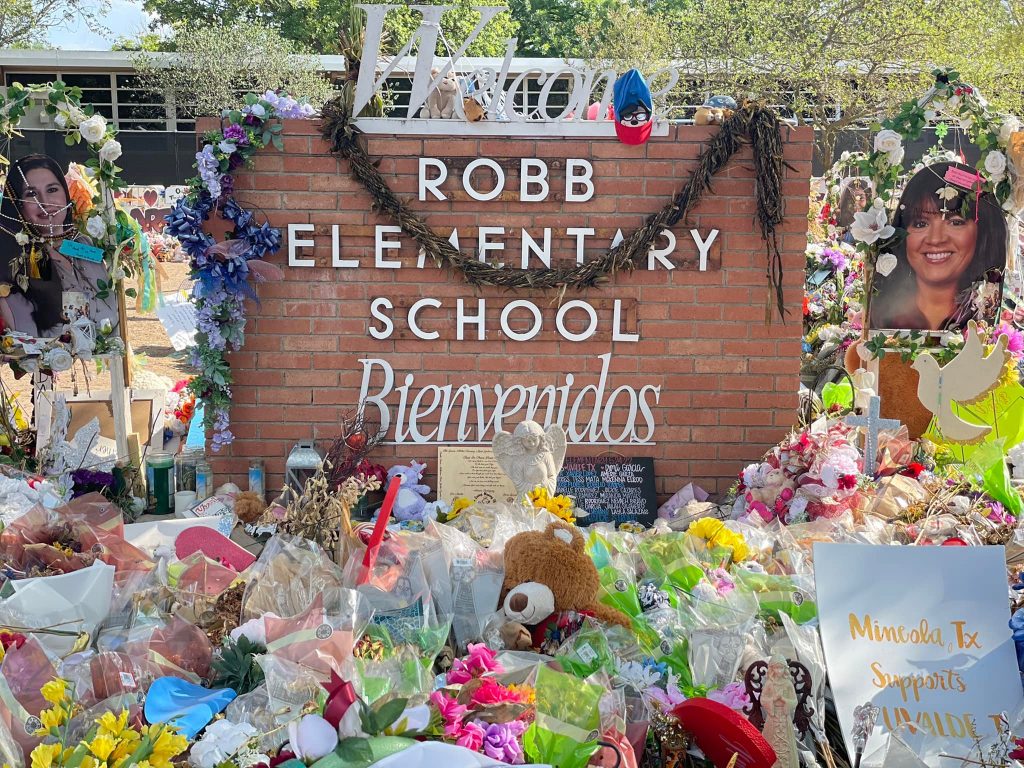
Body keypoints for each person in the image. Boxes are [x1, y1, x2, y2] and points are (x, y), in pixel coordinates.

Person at [869, 160, 1007, 331]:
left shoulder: (990, 330)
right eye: (920, 224)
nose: (936, 239)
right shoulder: (880, 321)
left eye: (956, 223)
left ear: (983, 232)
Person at [0, 154, 117, 337]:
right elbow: (27, 334)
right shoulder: (17, 258)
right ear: (18, 206)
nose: (45, 203)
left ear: (65, 193)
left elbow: (108, 308)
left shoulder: (82, 244)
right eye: (31, 194)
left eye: (52, 189)